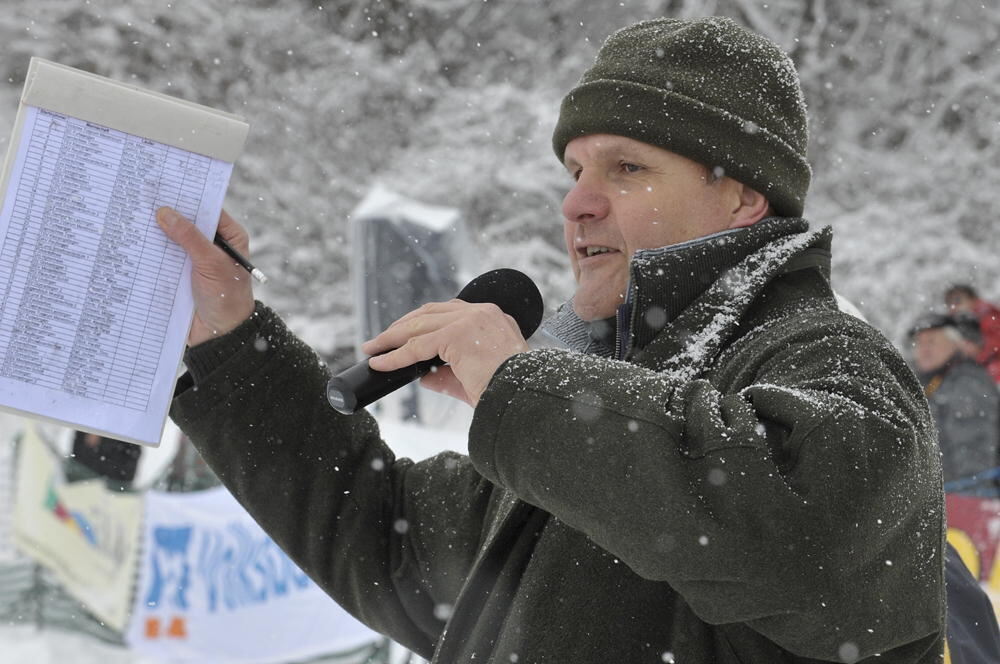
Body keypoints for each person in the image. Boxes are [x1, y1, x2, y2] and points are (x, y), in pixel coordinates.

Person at [159, 17, 944, 663]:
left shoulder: (831, 356)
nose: (577, 204)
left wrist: (524, 386)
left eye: (627, 168)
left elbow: (807, 537)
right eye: (574, 171)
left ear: (743, 197)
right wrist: (231, 342)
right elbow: (384, 537)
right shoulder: (588, 418)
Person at [909, 312, 1000, 491]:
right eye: (919, 343)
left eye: (932, 341)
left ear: (955, 344)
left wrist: (964, 496)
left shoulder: (967, 383)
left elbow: (975, 455)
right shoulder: (927, 382)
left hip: (963, 496)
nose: (924, 349)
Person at [946, 284, 1000, 383]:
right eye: (949, 303)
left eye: (958, 300)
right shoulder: (955, 323)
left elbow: (995, 343)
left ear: (973, 299)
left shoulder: (988, 316)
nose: (953, 306)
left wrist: (977, 350)